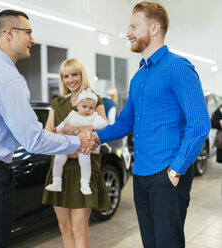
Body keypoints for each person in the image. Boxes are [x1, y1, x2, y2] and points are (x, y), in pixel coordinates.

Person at [0, 10, 98, 248]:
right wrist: (78, 142)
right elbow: (33, 139)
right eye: (29, 33)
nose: (32, 40)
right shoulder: (8, 77)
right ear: (9, 32)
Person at [92, 2, 211, 248]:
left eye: (134, 26)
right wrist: (96, 136)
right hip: (141, 173)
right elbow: (126, 121)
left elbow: (199, 125)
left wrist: (176, 170)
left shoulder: (177, 67)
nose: (128, 32)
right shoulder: (139, 77)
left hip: (166, 173)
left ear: (155, 27)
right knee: (150, 243)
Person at [42, 58, 110, 248]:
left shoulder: (93, 99)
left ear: (82, 75)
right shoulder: (57, 103)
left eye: (74, 74)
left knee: (80, 229)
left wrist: (71, 137)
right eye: (66, 76)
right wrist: (71, 142)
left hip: (84, 172)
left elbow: (103, 131)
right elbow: (49, 133)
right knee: (64, 227)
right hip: (61, 172)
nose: (70, 79)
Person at [45, 88, 108, 195]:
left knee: (85, 163)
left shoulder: (94, 116)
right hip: (69, 143)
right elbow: (64, 123)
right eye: (84, 107)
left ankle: (85, 184)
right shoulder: (72, 114)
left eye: (91, 108)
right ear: (77, 106)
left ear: (94, 109)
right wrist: (57, 129)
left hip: (84, 146)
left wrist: (92, 125)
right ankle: (56, 182)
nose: (87, 110)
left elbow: (103, 123)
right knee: (58, 160)